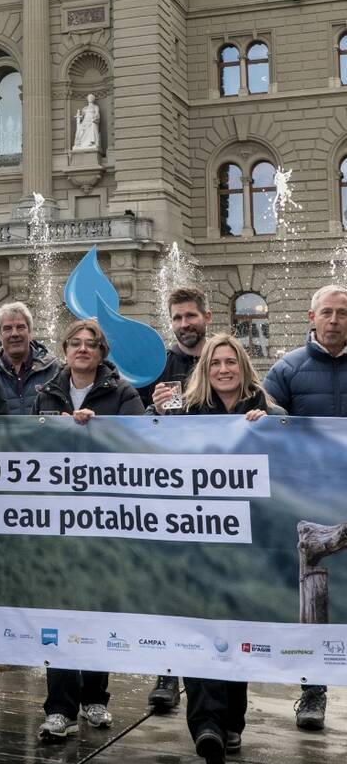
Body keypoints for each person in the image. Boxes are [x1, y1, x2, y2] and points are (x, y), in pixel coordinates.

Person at [170, 333, 284, 764]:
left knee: (236, 634)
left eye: (230, 362)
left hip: (248, 550)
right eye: (215, 363)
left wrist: (271, 426)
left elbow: (288, 463)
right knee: (199, 630)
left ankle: (231, 723)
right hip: (196, 546)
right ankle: (206, 726)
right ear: (205, 369)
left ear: (243, 367)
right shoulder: (186, 415)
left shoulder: (269, 414)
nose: (222, 369)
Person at [33, 319, 144, 743]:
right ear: (64, 349)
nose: (82, 350)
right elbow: (30, 448)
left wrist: (99, 430)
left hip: (105, 519)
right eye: (75, 343)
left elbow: (137, 447)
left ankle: (96, 696)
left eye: (91, 344)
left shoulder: (123, 394)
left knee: (98, 608)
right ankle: (60, 708)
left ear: (102, 353)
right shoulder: (46, 394)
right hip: (58, 520)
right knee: (59, 612)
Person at [265, 284, 347, 733]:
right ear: (311, 318)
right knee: (314, 597)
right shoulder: (287, 369)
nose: (335, 320)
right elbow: (265, 420)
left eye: (343, 313)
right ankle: (312, 693)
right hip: (310, 497)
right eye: (327, 313)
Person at [142, 284, 213, 712]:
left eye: (190, 316)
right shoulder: (160, 364)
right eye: (177, 318)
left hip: (215, 494)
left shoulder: (223, 357)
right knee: (170, 581)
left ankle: (211, 667)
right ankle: (167, 672)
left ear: (206, 316)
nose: (184, 324)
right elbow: (136, 418)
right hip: (169, 494)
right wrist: (152, 408)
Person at [0, 301, 59, 415]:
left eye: (21, 327)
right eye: (7, 328)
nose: (14, 334)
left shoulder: (55, 370)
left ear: (30, 333)